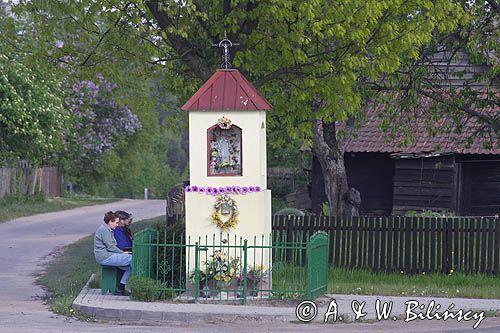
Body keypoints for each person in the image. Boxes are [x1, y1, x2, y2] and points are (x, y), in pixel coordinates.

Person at [94, 211, 132, 295]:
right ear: (110, 222)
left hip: (109, 255)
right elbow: (111, 247)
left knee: (129, 268)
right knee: (133, 259)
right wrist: (123, 253)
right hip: (105, 256)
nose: (117, 225)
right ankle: (135, 287)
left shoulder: (108, 229)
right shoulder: (104, 230)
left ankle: (120, 288)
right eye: (116, 222)